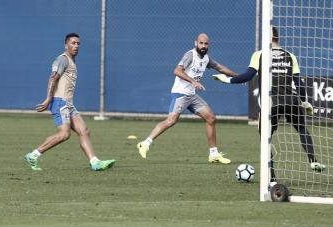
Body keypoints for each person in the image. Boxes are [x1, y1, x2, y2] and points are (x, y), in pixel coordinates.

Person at [213, 26, 326, 176]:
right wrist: (305, 102)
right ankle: (313, 160)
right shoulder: (290, 55)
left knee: (266, 138)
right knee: (302, 129)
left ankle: (272, 178)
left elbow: (247, 76)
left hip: (271, 103)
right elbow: (299, 83)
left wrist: (227, 80)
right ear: (277, 38)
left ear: (266, 38)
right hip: (292, 100)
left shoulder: (259, 55)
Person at [137, 33, 238, 164]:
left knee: (211, 118)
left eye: (206, 43)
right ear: (196, 43)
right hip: (180, 93)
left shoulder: (206, 58)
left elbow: (221, 68)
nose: (203, 45)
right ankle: (145, 143)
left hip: (191, 95)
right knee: (171, 120)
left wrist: (239, 77)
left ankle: (213, 154)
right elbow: (177, 71)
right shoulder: (190, 55)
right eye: (201, 43)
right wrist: (192, 81)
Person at [25, 33, 115, 171]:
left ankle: (95, 162)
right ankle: (33, 155)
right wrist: (49, 98)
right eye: (73, 43)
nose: (76, 46)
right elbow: (53, 78)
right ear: (66, 45)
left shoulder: (72, 62)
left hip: (69, 104)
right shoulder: (63, 59)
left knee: (84, 131)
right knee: (64, 134)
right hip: (60, 102)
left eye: (78, 43)